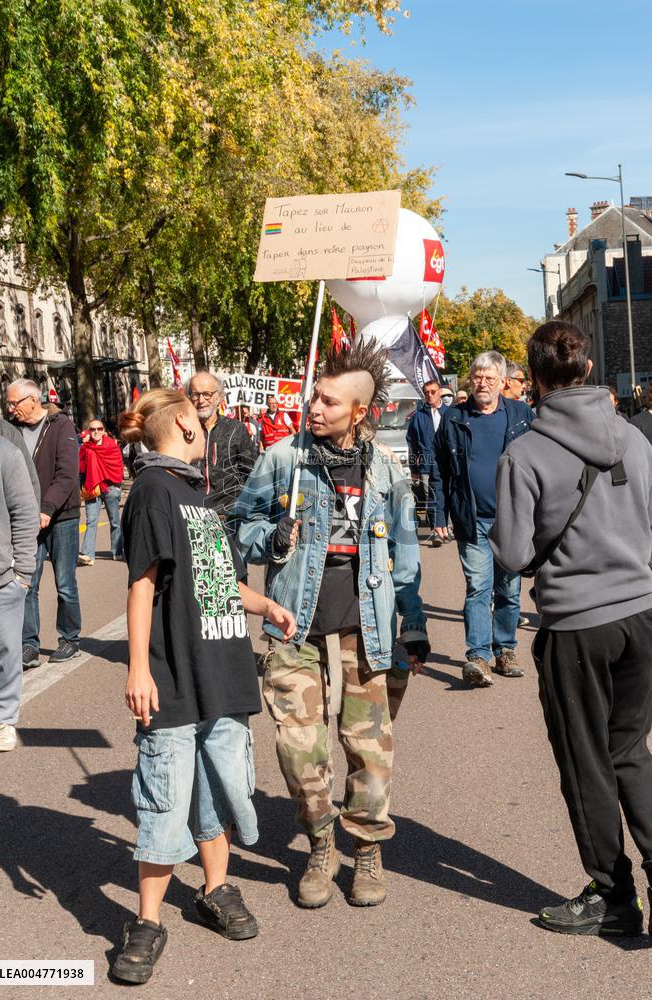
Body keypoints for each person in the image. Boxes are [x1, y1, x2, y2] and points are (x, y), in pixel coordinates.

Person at [231, 342, 429, 909]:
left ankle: (366, 848)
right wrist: (271, 538)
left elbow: (407, 559)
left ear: (359, 412)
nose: (314, 408)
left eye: (328, 401)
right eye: (314, 396)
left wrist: (412, 627)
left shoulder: (387, 473)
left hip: (366, 623)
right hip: (294, 621)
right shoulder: (281, 459)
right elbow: (239, 525)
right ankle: (320, 842)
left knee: (368, 749)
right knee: (297, 747)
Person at [111, 389, 295, 985]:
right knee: (165, 799)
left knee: (217, 791)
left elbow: (217, 584)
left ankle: (215, 889)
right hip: (173, 675)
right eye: (201, 416)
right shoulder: (152, 491)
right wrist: (138, 668)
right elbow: (141, 585)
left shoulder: (195, 493)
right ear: (187, 423)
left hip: (221, 670)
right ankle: (145, 922)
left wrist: (265, 604)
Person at [490, 320, 652, 937]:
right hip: (641, 611)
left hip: (578, 623)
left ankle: (612, 897)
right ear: (587, 370)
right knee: (632, 753)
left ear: (531, 379)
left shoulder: (525, 452)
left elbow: (510, 552)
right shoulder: (634, 438)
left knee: (586, 762)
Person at [430, 351, 534, 687]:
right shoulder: (455, 417)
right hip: (471, 518)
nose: (482, 383)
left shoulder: (520, 414)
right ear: (469, 380)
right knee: (479, 587)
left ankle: (505, 649)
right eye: (477, 376)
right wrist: (439, 513)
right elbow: (440, 469)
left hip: (513, 518)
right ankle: (478, 656)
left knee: (509, 589)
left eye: (489, 377)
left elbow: (538, 462)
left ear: (503, 382)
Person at [6, 378, 82, 668]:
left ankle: (70, 638)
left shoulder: (61, 425)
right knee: (26, 583)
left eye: (15, 403)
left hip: (61, 516)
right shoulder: (12, 431)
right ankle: (29, 645)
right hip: (26, 518)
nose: (11, 408)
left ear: (33, 400)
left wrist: (47, 508)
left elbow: (67, 474)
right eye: (9, 403)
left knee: (65, 582)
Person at [0, 422, 39, 753]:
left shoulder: (5, 454)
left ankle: (4, 721)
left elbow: (24, 513)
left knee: (5, 653)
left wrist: (22, 571)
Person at [187, 371, 254, 517]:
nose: (201, 400)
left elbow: (250, 474)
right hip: (193, 515)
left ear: (218, 397)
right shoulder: (183, 430)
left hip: (228, 516)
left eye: (207, 394)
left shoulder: (236, 429)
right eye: (195, 394)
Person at [406, 379, 448, 546]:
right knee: (431, 496)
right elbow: (412, 443)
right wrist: (413, 469)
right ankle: (436, 530)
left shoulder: (450, 413)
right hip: (427, 464)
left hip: (448, 464)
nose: (430, 395)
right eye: (427, 393)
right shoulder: (418, 417)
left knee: (445, 494)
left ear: (440, 393)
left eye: (433, 391)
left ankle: (444, 526)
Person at [78, 418, 124, 565]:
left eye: (99, 429)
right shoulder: (85, 448)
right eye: (92, 429)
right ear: (89, 431)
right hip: (92, 487)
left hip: (110, 488)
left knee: (115, 522)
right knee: (91, 521)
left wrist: (117, 486)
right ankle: (87, 555)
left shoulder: (112, 446)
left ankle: (117, 551)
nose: (96, 432)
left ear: (104, 431)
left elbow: (118, 466)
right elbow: (81, 468)